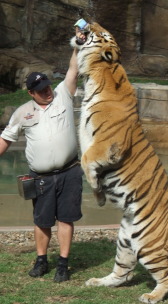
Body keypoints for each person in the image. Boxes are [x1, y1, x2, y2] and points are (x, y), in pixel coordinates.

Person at [0, 25, 85, 283]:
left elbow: (73, 70)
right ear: (30, 93)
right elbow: (5, 138)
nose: (47, 91)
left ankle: (63, 263)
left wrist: (77, 45)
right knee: (42, 219)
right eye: (41, 90)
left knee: (67, 219)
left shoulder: (62, 95)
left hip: (70, 172)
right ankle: (41, 261)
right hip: (41, 177)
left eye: (47, 86)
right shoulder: (22, 112)